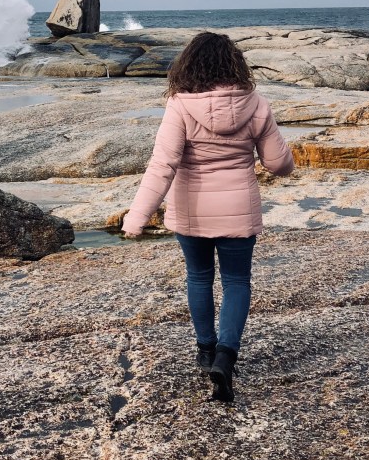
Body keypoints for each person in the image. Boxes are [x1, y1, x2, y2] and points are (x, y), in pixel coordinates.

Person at [121, 31, 294, 401]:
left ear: (189, 66)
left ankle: (205, 349)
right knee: (236, 282)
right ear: (235, 64)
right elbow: (279, 164)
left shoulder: (180, 105)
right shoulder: (256, 103)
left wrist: (138, 216)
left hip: (192, 210)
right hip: (238, 210)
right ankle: (225, 357)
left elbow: (163, 165)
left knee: (198, 278)